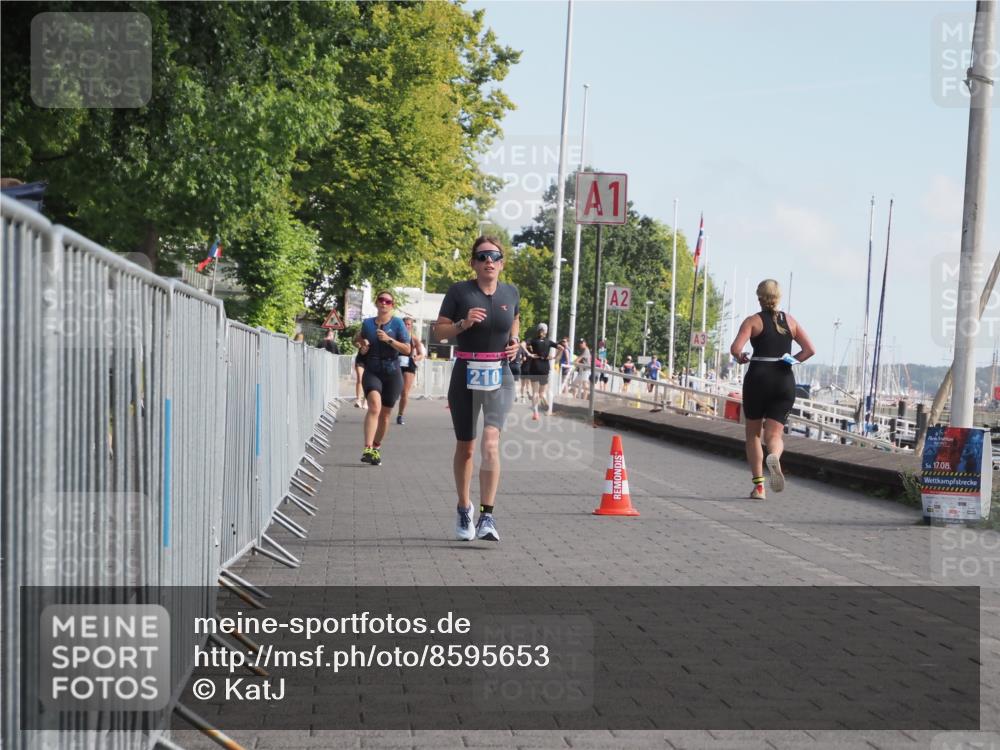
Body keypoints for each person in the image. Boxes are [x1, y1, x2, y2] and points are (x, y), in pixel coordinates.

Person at [436, 236, 520, 542]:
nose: (489, 261)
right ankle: (463, 507)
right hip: (467, 373)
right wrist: (463, 324)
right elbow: (440, 331)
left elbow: (515, 319)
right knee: (467, 447)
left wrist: (515, 342)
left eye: (495, 256)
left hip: (500, 373)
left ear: (502, 263)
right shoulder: (460, 291)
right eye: (482, 256)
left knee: (491, 442)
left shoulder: (511, 292)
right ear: (473, 262)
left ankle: (488, 515)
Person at [729, 279, 815, 499]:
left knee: (753, 434)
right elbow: (809, 350)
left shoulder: (753, 321)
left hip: (758, 378)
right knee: (774, 434)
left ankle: (759, 487)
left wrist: (741, 357)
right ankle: (774, 455)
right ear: (778, 297)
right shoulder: (791, 321)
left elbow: (736, 348)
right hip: (783, 380)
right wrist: (790, 361)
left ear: (759, 297)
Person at [355, 291, 411, 466]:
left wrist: (389, 340)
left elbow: (407, 349)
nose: (384, 303)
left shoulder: (398, 324)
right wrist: (361, 345)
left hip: (392, 372)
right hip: (372, 370)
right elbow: (357, 339)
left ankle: (376, 447)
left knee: (385, 415)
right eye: (381, 300)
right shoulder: (368, 323)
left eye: (388, 301)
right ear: (376, 303)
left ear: (392, 305)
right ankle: (367, 447)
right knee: (374, 407)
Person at [525, 323, 563, 420]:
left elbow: (522, 344)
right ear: (546, 331)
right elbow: (562, 348)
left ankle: (535, 413)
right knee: (542, 393)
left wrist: (529, 354)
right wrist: (555, 357)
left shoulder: (532, 340)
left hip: (534, 366)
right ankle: (546, 404)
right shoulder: (549, 342)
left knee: (535, 392)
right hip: (545, 367)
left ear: (537, 330)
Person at [396, 316, 424, 425]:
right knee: (389, 390)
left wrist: (416, 358)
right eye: (405, 324)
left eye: (409, 324)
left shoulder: (414, 338)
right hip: (396, 363)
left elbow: (421, 354)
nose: (407, 326)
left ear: (411, 326)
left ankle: (400, 415)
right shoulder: (396, 336)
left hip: (409, 365)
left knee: (405, 392)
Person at [353, 344, 367, 409]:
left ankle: (365, 401)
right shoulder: (363, 334)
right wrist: (359, 344)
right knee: (360, 378)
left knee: (367, 381)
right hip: (360, 359)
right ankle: (358, 400)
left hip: (371, 360)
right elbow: (355, 342)